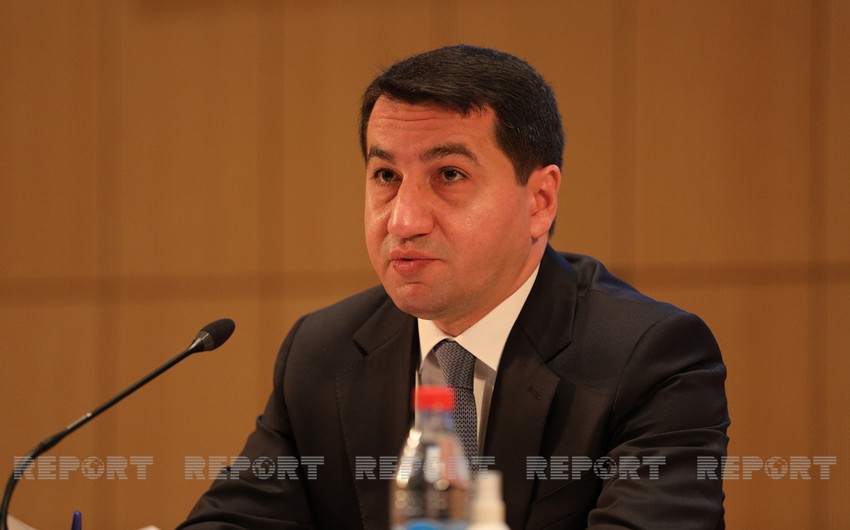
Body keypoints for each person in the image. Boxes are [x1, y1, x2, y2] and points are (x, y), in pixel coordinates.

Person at [178, 45, 729, 530]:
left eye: (449, 175)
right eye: (386, 177)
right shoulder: (323, 353)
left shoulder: (649, 359)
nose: (403, 221)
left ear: (539, 201)